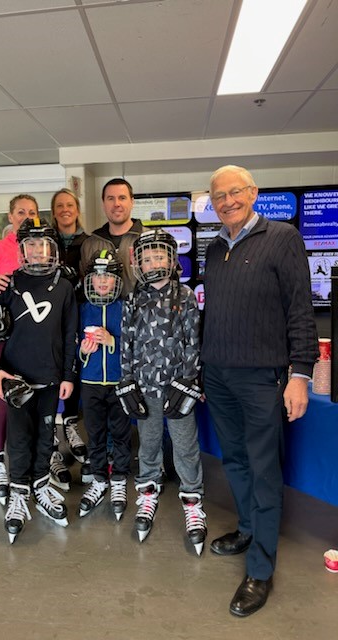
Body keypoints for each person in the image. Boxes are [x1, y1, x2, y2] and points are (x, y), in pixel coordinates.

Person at [201, 165, 319, 617]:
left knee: (264, 469)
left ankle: (260, 569)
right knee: (235, 460)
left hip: (262, 379)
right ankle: (249, 527)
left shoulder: (282, 237)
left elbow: (299, 309)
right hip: (218, 375)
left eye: (235, 192)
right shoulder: (213, 248)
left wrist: (299, 373)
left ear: (253, 193)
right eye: (219, 196)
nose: (227, 201)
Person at [0, 219, 78, 544]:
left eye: (43, 244)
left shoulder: (64, 286)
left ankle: (40, 486)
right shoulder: (8, 283)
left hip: (50, 379)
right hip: (16, 382)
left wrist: (66, 376)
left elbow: (68, 335)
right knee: (19, 440)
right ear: (21, 249)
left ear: (54, 248)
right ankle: (18, 494)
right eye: (31, 244)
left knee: (45, 439)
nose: (37, 250)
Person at [118, 229, 206, 553]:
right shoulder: (133, 299)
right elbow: (125, 343)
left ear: (172, 259)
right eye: (149, 256)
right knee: (149, 442)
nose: (155, 260)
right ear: (139, 262)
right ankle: (147, 492)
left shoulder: (184, 296)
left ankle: (193, 500)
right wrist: (126, 381)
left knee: (185, 444)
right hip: (145, 388)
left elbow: (193, 342)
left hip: (176, 388)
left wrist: (187, 383)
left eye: (161, 255)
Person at [0, 194, 38, 504]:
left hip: (35, 336)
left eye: (32, 212)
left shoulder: (41, 247)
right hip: (4, 336)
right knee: (4, 396)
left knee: (36, 397)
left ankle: (40, 460)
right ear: (11, 216)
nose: (26, 216)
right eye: (21, 212)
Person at [77, 250, 131, 521]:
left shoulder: (125, 308)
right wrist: (84, 351)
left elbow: (133, 347)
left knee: (121, 433)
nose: (101, 282)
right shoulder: (82, 309)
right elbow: (75, 349)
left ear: (116, 281)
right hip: (90, 383)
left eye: (107, 277)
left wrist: (112, 342)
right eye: (97, 277)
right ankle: (99, 478)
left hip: (119, 383)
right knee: (95, 434)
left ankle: (119, 478)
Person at [50, 188, 90, 486]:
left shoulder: (86, 242)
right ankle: (51, 430)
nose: (65, 209)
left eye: (70, 205)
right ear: (54, 212)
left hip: (78, 311)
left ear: (77, 210)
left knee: (74, 368)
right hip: (49, 315)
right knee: (51, 369)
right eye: (60, 206)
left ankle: (72, 424)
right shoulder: (45, 242)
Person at [80, 178, 143, 297]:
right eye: (110, 198)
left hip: (142, 314)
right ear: (103, 203)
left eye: (122, 198)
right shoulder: (89, 245)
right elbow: (86, 286)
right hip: (104, 314)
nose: (116, 204)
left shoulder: (148, 239)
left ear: (132, 202)